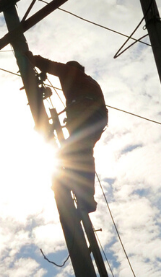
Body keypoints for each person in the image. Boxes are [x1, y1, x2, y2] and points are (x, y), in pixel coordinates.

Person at [28, 53, 107, 213]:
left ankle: (82, 194)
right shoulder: (89, 81)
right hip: (96, 118)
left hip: (86, 113)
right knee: (80, 152)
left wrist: (32, 59)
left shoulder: (73, 73)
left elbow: (53, 66)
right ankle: (80, 190)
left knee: (74, 151)